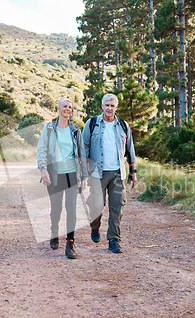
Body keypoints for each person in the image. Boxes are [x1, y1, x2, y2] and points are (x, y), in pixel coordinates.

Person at [82, 93, 137, 253]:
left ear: (116, 107)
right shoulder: (92, 123)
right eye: (107, 105)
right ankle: (95, 225)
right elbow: (84, 149)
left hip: (118, 173)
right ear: (102, 106)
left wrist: (133, 171)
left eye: (112, 106)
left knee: (117, 207)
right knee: (96, 206)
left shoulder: (123, 125)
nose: (109, 108)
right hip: (97, 174)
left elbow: (130, 151)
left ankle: (114, 239)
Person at [37, 98, 88, 259]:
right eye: (65, 106)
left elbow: (81, 153)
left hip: (72, 173)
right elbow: (41, 149)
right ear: (58, 109)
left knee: (71, 208)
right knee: (56, 208)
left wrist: (84, 176)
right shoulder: (49, 128)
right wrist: (43, 169)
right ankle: (54, 231)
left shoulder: (75, 130)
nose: (68, 109)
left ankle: (70, 243)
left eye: (70, 107)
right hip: (54, 174)